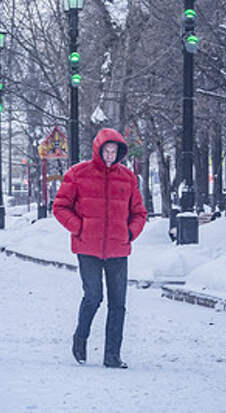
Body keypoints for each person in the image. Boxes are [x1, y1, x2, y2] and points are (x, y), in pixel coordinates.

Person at [53, 128, 147, 369]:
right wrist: (80, 228)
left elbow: (139, 213)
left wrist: (128, 233)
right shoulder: (78, 174)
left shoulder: (127, 178)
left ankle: (112, 355)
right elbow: (60, 206)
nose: (109, 155)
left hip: (118, 249)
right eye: (106, 150)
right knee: (93, 296)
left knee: (118, 304)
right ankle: (80, 337)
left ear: (119, 153)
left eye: (114, 151)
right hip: (88, 248)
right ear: (98, 149)